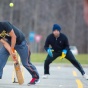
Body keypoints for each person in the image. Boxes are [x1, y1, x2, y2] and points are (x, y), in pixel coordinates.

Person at [0, 21, 40, 85]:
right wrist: (11, 52)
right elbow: (4, 43)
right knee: (1, 56)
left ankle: (36, 77)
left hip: (21, 43)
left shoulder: (4, 24)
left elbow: (14, 36)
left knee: (26, 63)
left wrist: (12, 50)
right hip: (9, 43)